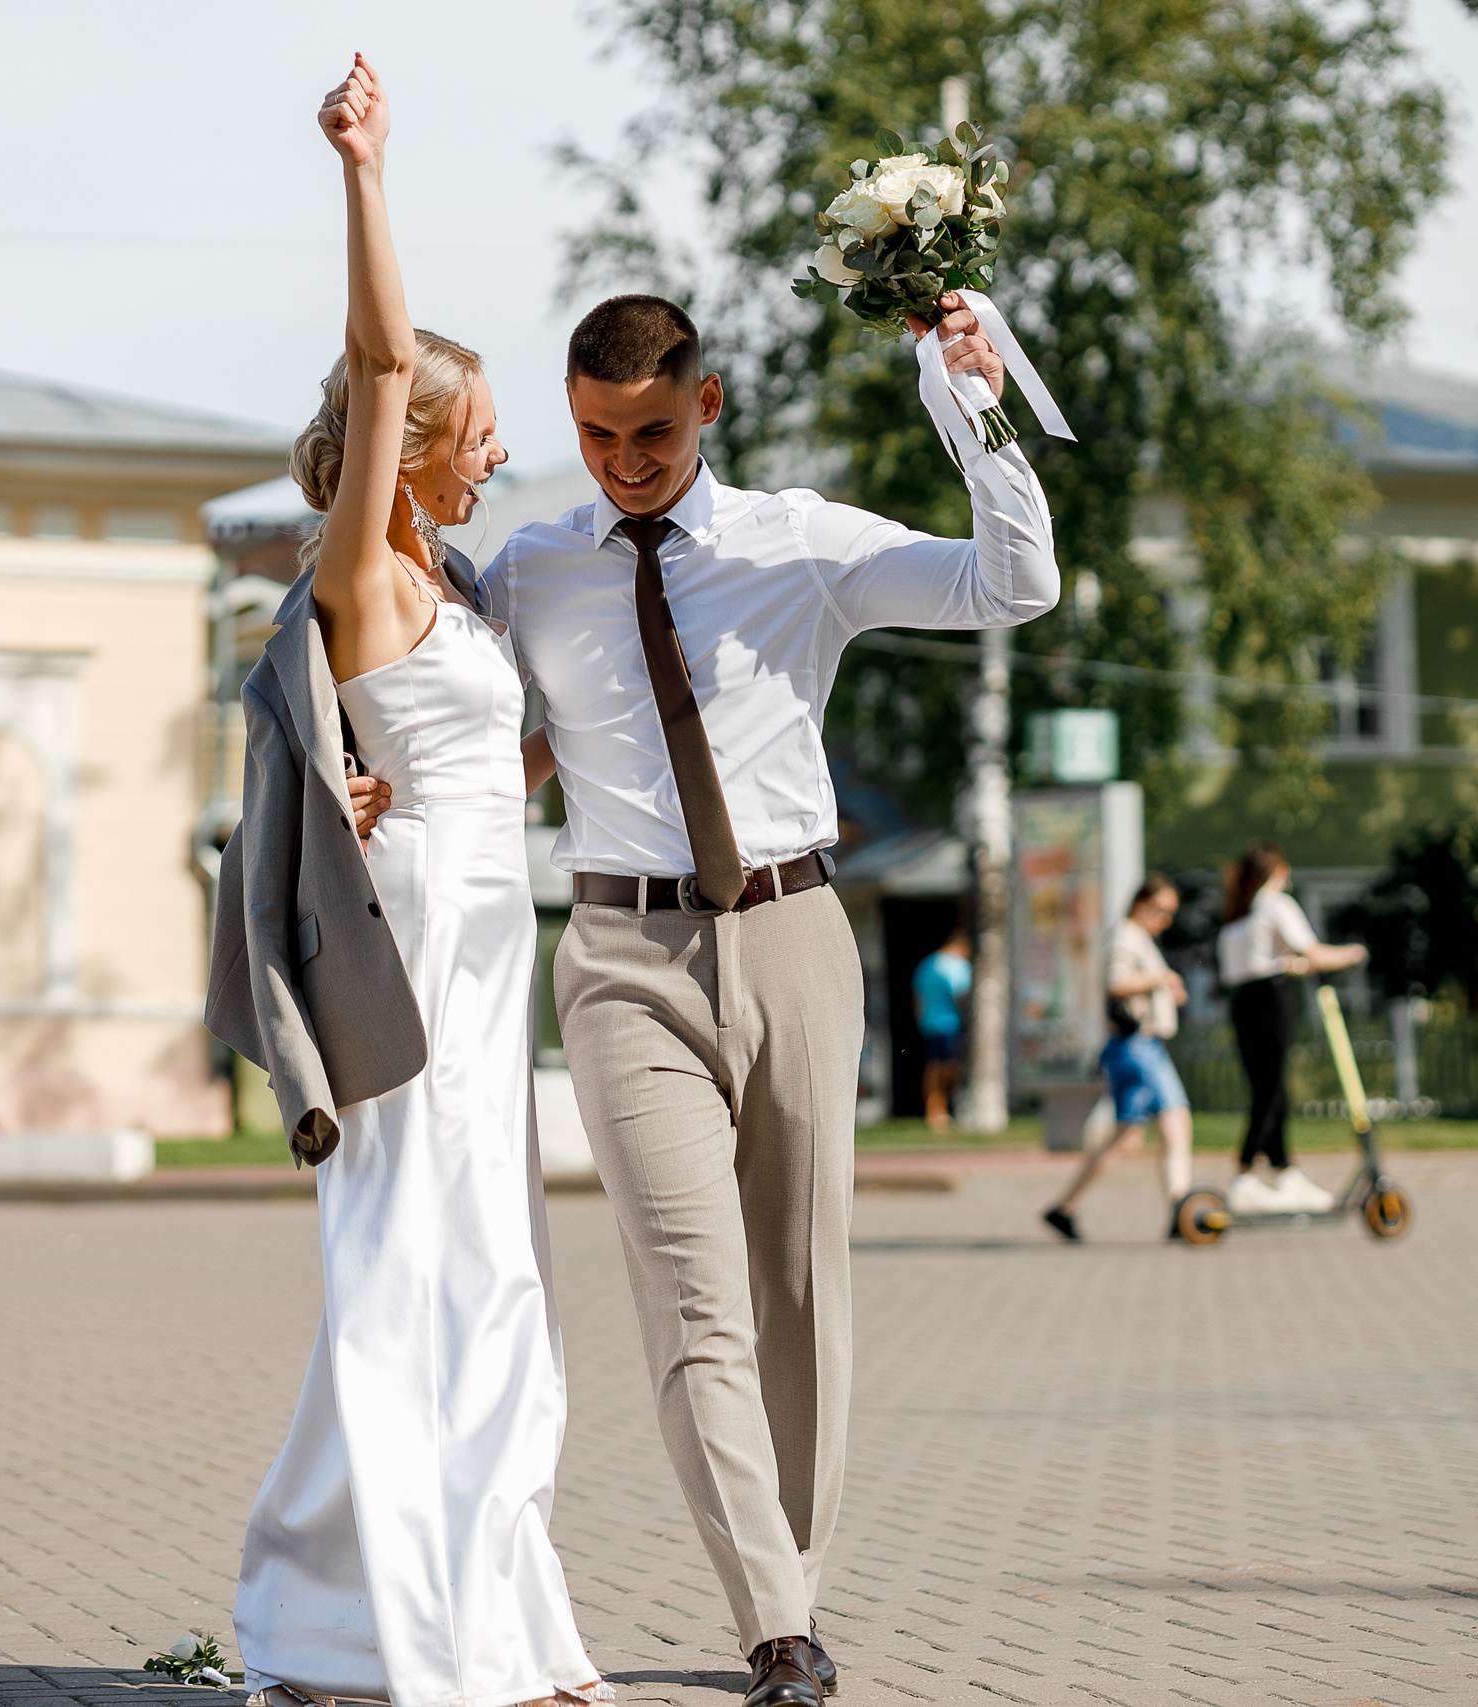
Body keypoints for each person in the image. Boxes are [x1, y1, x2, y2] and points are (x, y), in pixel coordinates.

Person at [482, 274, 1060, 1706]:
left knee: (800, 1289)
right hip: (619, 956)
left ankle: (789, 1577)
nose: (627, 463)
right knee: (694, 1299)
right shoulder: (534, 566)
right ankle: (777, 1628)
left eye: (655, 435)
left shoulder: (796, 542)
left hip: (795, 936)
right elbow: (489, 736)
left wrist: (969, 405)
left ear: (709, 406)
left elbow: (1015, 583)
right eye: (601, 436)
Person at [211, 57, 605, 1707]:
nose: (506, 452)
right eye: (488, 431)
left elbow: (487, 763)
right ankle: (367, 1635)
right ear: (420, 446)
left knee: (494, 1273)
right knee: (398, 1268)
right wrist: (368, 173)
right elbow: (381, 356)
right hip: (409, 951)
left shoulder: (455, 593)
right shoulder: (361, 571)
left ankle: (489, 1631)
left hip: (492, 926)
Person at [1215, 841, 1367, 1213]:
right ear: (1277, 871)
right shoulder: (1275, 904)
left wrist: (1293, 966)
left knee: (1270, 1088)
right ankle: (1246, 1172)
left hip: (1244, 1003)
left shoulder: (1239, 916)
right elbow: (1310, 950)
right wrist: (1352, 954)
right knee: (1270, 1091)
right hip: (1269, 1002)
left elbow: (1261, 963)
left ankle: (1284, 1171)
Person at [1042, 873, 1192, 1241]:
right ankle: (1181, 1210)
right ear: (1141, 904)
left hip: (1132, 1048)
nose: (1165, 920)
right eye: (1161, 910)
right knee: (1175, 1123)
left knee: (1128, 1136)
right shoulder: (1126, 936)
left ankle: (1065, 1207)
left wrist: (1164, 986)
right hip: (1139, 1046)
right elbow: (1116, 983)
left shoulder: (1135, 937)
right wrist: (1160, 979)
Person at [912, 925, 972, 1131]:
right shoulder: (958, 965)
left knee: (932, 1068)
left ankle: (934, 1110)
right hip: (949, 1024)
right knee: (947, 1069)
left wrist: (920, 1020)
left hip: (929, 1024)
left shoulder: (927, 964)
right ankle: (940, 1110)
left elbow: (917, 997)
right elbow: (962, 995)